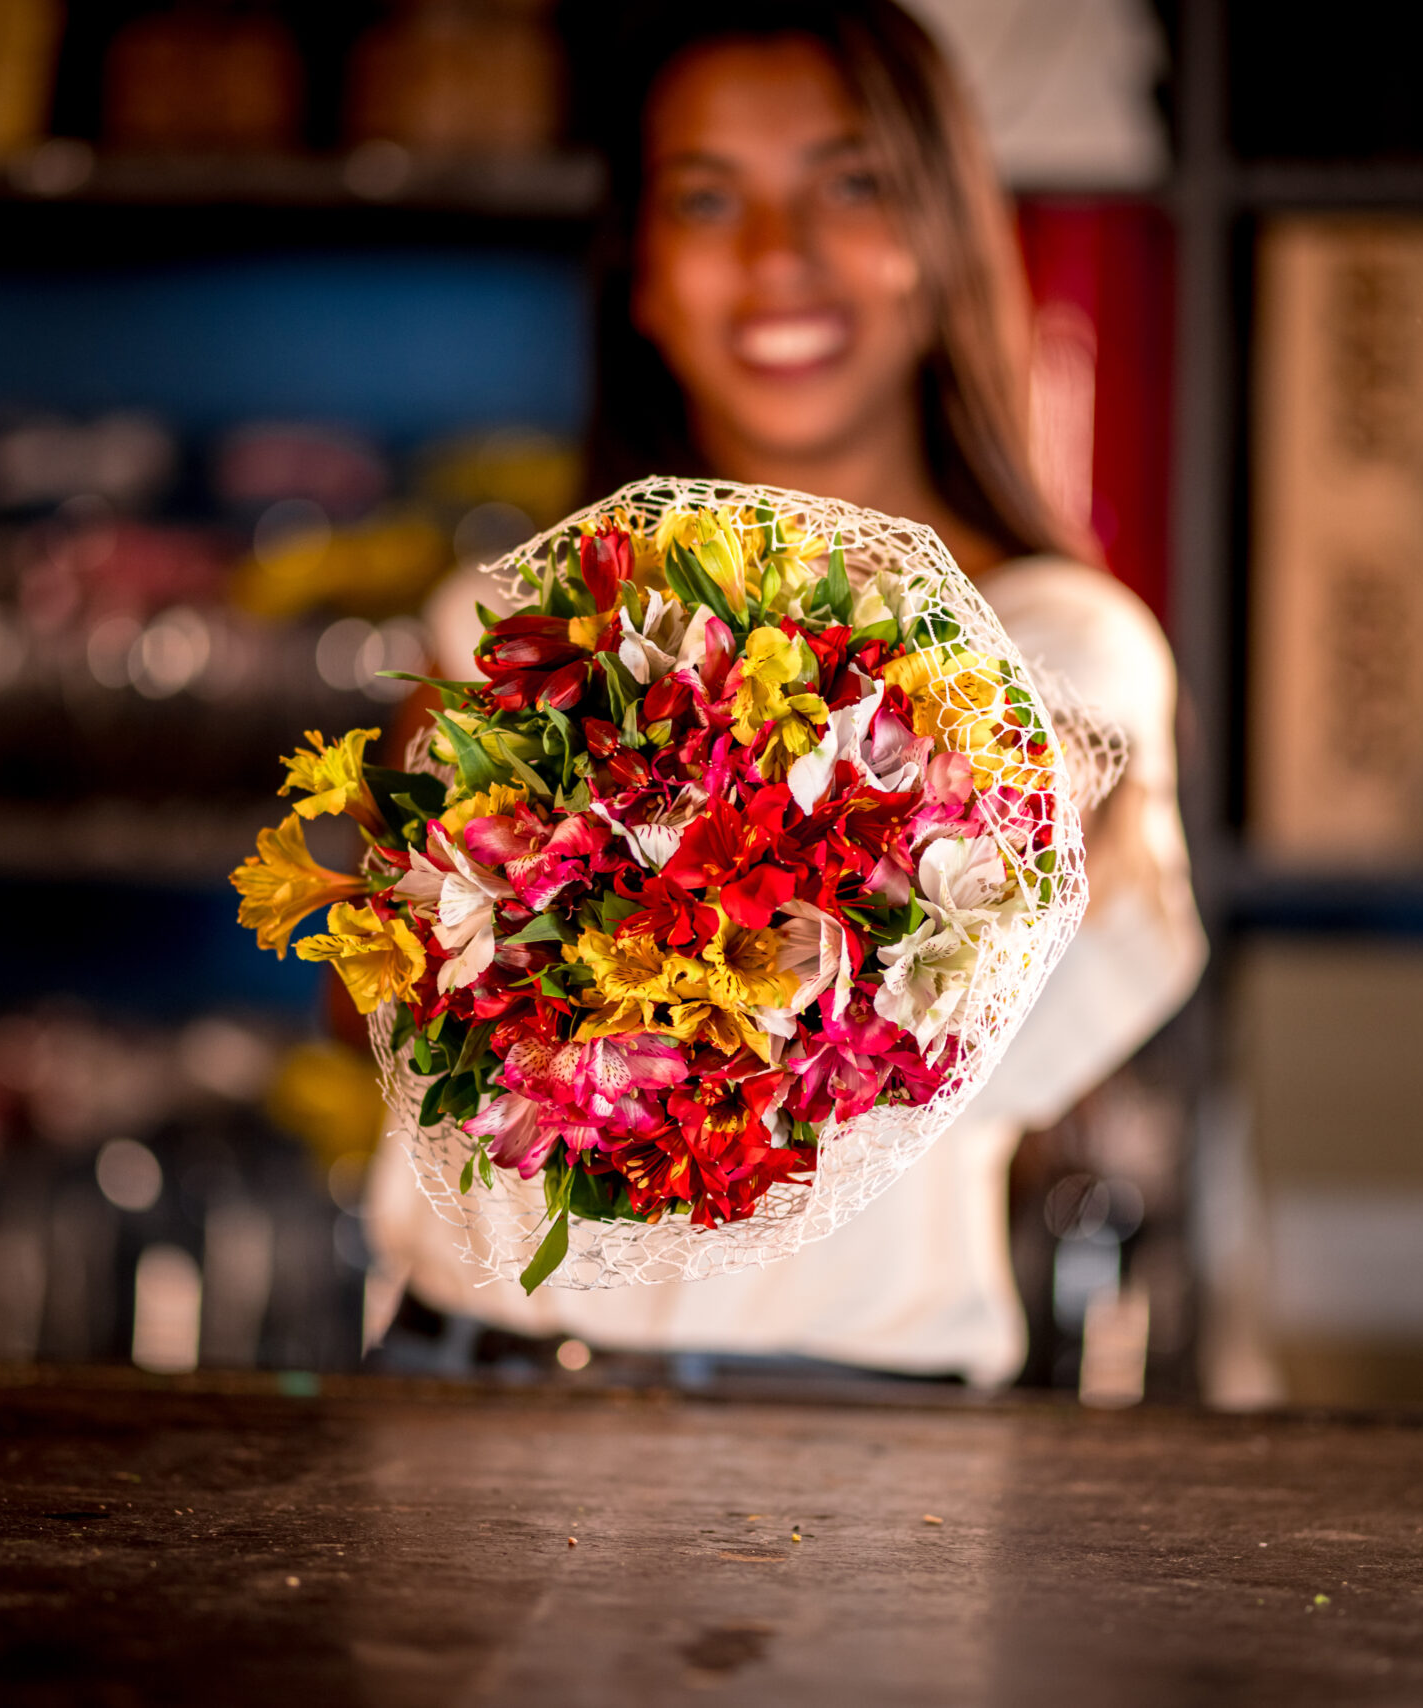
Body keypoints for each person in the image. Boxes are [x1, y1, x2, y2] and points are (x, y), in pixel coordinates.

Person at [363, 0, 1203, 1387]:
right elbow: (380, 1030)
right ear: (641, 271)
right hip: (456, 1383)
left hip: (842, 1442)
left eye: (851, 184)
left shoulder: (1064, 642)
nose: (778, 258)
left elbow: (1029, 835)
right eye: (708, 198)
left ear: (940, 242)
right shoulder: (506, 616)